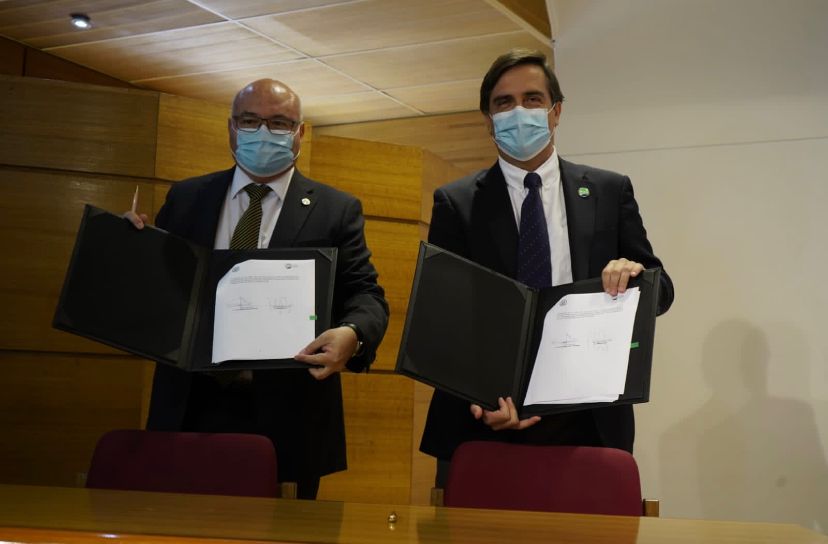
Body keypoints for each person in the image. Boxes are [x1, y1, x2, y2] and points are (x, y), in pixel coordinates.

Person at [419, 49, 674, 486]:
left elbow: (661, 291)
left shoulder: (609, 190)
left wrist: (633, 276)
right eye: (504, 103)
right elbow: (444, 316)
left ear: (556, 111)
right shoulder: (456, 203)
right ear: (488, 119)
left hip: (588, 417)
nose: (519, 112)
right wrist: (481, 397)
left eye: (532, 99)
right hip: (485, 420)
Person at [126, 79, 389, 499]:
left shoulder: (335, 209)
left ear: (300, 132)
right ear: (231, 127)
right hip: (189, 405)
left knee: (285, 530)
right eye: (250, 120)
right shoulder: (187, 198)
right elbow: (160, 291)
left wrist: (352, 334)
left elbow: (366, 295)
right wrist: (129, 248)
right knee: (178, 525)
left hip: (289, 417)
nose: (263, 132)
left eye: (279, 123)